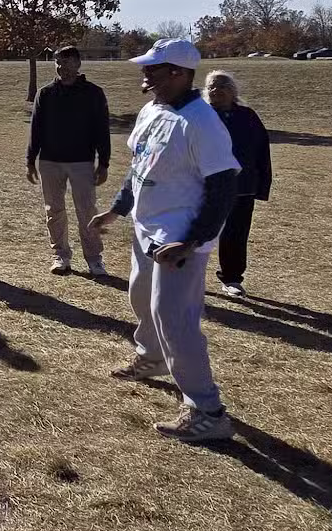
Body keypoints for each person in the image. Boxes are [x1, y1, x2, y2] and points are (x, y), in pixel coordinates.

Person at [88, 39, 241, 443]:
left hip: (178, 238)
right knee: (141, 298)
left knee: (174, 317)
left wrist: (192, 242)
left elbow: (224, 187)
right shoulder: (152, 110)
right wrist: (117, 211)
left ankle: (207, 409)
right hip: (147, 228)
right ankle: (152, 357)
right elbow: (140, 168)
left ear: (179, 73)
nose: (146, 73)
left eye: (154, 68)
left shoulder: (202, 122)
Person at [27, 46, 113, 278]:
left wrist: (103, 162)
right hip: (50, 162)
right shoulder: (45, 94)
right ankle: (60, 256)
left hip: (82, 162)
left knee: (87, 211)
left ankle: (94, 259)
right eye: (57, 63)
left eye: (66, 62)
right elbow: (36, 129)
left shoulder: (93, 93)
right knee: (54, 211)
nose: (61, 67)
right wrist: (30, 159)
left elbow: (102, 130)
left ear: (77, 64)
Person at [203, 71, 272, 299]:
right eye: (212, 86)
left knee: (235, 234)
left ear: (233, 91)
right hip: (203, 188)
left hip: (241, 187)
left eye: (222, 85)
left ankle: (231, 278)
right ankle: (185, 276)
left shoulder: (248, 117)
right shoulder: (200, 116)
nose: (216, 90)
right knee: (195, 232)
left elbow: (261, 152)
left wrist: (261, 186)